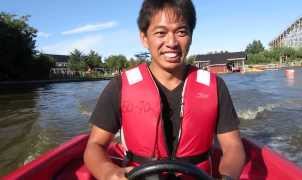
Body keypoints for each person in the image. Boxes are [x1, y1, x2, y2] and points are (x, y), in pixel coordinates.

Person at [84, 0, 245, 179]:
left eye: (181, 32)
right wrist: (108, 172)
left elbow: (233, 146)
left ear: (191, 36)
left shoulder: (215, 86)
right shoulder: (120, 86)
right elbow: (94, 146)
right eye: (160, 33)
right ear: (144, 38)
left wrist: (228, 176)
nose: (172, 42)